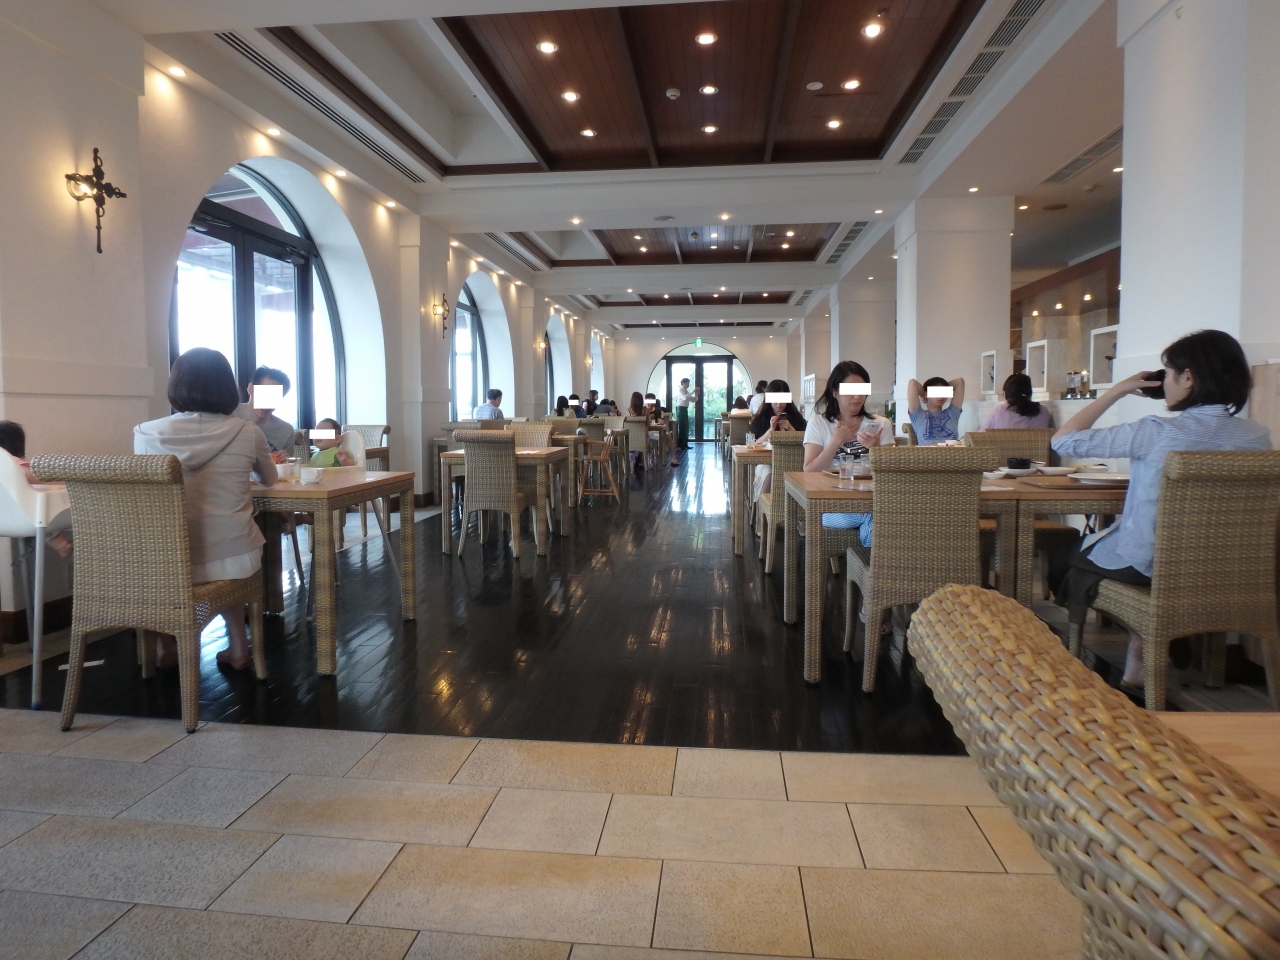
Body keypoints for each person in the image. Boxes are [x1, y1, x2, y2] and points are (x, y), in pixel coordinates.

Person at [1050, 329, 1270, 689]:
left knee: (1067, 558)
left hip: (1153, 565)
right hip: (1227, 568)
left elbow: (1063, 441)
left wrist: (1118, 390)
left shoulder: (1156, 431)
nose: (1164, 381)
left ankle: (1146, 636)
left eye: (1167, 373)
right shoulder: (1257, 437)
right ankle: (1154, 640)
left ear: (1188, 378)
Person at [135, 347, 278, 671]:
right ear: (227, 387)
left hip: (172, 558)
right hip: (237, 556)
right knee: (229, 546)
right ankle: (239, 647)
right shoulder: (247, 431)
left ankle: (166, 645)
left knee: (167, 557)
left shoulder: (145, 433)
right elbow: (269, 480)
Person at [803, 361, 893, 548]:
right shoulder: (819, 424)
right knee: (874, 513)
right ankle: (876, 564)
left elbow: (891, 473)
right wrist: (836, 441)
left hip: (873, 499)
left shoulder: (881, 424)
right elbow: (809, 471)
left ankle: (869, 564)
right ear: (835, 392)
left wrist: (876, 449)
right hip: (830, 506)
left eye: (862, 390)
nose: (857, 396)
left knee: (875, 515)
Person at [0, 421, 74, 558]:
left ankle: (60, 545)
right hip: (22, 518)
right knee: (40, 513)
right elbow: (27, 474)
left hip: (6, 518)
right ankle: (61, 545)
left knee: (34, 514)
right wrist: (50, 475)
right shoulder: (9, 461)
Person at [748, 379, 807, 501]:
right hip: (767, 462)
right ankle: (764, 509)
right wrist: (771, 430)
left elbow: (805, 442)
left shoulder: (797, 418)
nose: (779, 404)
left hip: (793, 461)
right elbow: (755, 444)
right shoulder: (760, 419)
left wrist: (790, 428)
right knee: (769, 473)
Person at [235, 365, 296, 460]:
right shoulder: (227, 414)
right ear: (250, 389)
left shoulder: (286, 431)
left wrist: (285, 462)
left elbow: (286, 467)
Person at [982, 374, 1053, 430]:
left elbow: (980, 436)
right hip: (1036, 445)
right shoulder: (1043, 411)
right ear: (1030, 393)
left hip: (1003, 445)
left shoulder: (999, 411)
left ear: (1006, 394)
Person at [907, 375, 964, 445]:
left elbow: (960, 382)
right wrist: (924, 394)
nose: (941, 396)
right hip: (928, 451)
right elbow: (912, 383)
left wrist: (944, 389)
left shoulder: (953, 413)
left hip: (954, 450)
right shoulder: (918, 414)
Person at [643, 392, 679, 467]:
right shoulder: (643, 410)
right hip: (644, 433)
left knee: (668, 435)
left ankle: (673, 458)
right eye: (648, 401)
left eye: (652, 401)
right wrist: (649, 417)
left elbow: (659, 418)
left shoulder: (658, 410)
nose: (650, 403)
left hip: (654, 431)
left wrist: (660, 421)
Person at [674, 377, 698, 450]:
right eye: (687, 383)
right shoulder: (680, 390)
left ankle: (685, 444)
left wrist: (696, 395)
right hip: (680, 410)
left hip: (685, 410)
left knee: (686, 427)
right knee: (682, 427)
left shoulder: (686, 391)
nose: (688, 384)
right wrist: (693, 391)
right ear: (683, 383)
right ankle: (680, 445)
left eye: (688, 383)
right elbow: (685, 397)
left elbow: (692, 399)